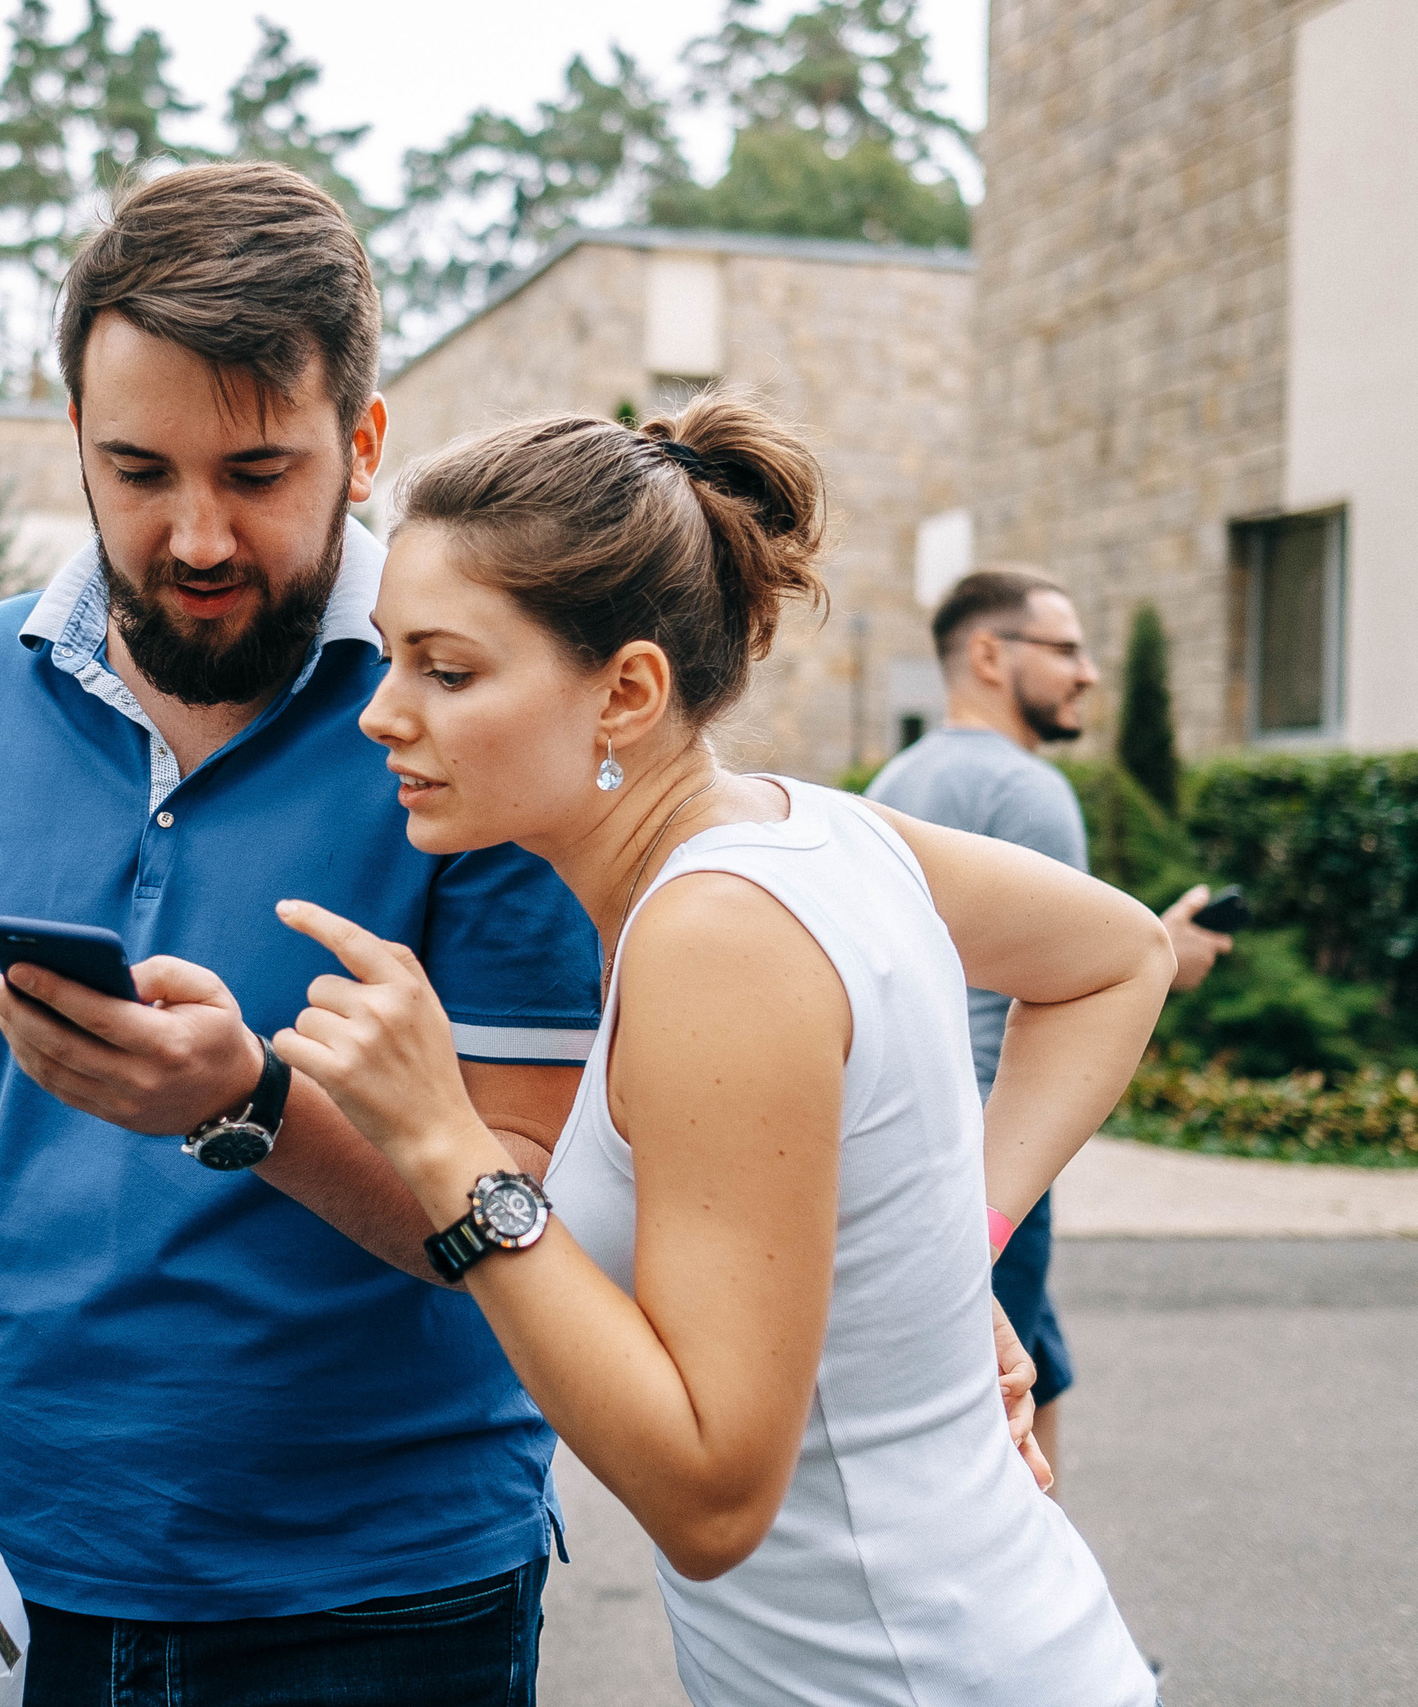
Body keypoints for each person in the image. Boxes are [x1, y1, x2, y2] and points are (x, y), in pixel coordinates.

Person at [0, 162, 606, 1706]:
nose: (196, 535)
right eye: (139, 470)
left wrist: (247, 1106)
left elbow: (520, 1213)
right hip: (7, 1567)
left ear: (365, 444)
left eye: (260, 471)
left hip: (384, 1598)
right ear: (72, 435)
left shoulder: (482, 711)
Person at [235, 395, 1167, 1704]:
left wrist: (443, 1143)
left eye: (445, 670)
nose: (383, 713)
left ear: (625, 689)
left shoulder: (716, 936)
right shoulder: (813, 833)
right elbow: (1120, 955)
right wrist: (961, 1245)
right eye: (389, 658)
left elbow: (713, 1494)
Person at [866, 566, 1230, 1489]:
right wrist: (1160, 958)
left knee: (1040, 1371)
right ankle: (1024, 1629)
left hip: (918, 1136)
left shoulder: (897, 779)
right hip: (997, 1157)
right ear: (989, 655)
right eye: (1065, 649)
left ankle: (1074, 1625)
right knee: (996, 1418)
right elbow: (1066, 984)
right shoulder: (1029, 791)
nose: (1090, 673)